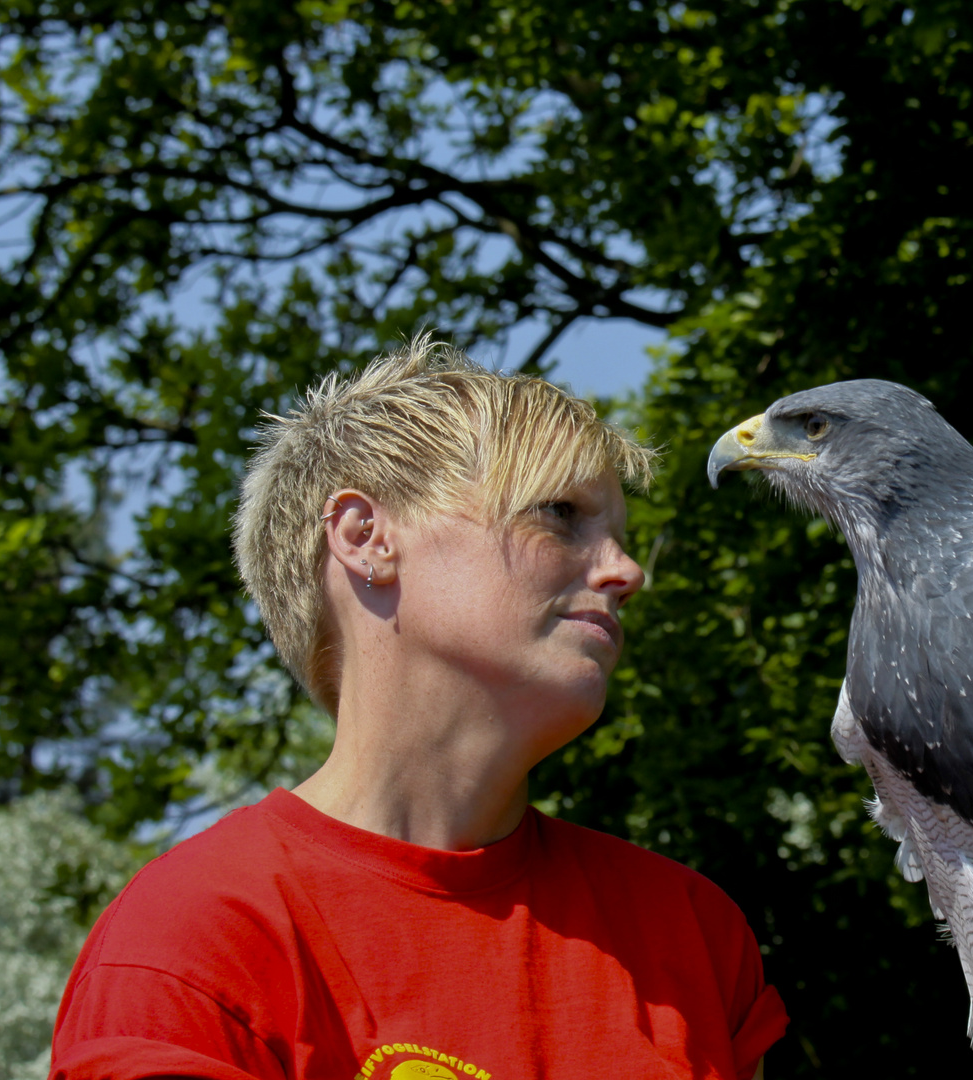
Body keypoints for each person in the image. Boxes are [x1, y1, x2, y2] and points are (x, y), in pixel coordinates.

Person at [50, 337, 788, 1080]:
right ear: (366, 538)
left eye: (619, 538)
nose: (625, 571)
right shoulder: (194, 942)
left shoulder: (688, 936)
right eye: (560, 514)